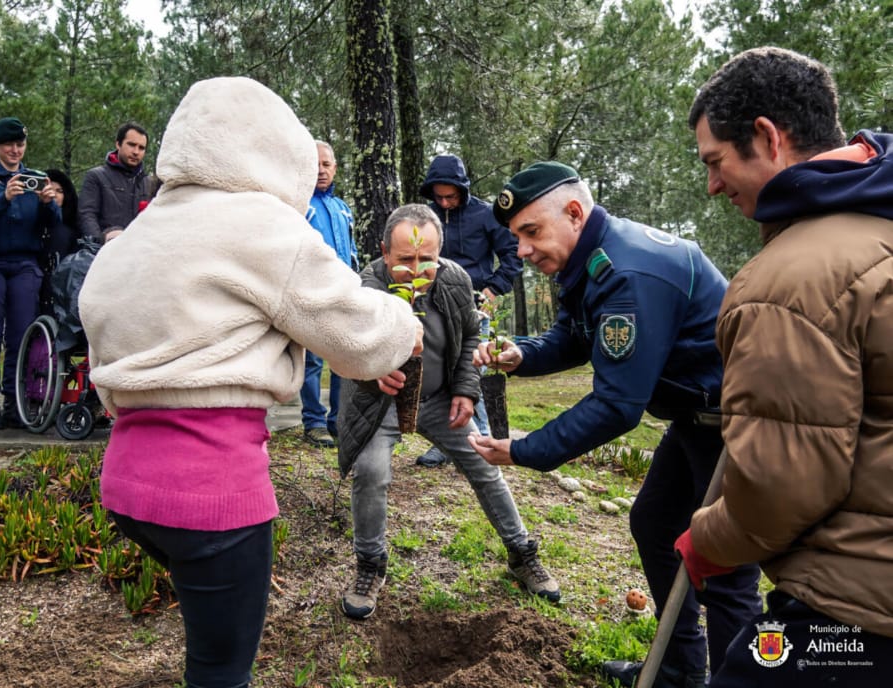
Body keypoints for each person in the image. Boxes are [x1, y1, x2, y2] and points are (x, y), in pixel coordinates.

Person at [79, 76, 423, 688]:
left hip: (127, 486)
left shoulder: (135, 237)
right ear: (277, 150)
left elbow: (105, 333)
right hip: (212, 493)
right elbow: (356, 332)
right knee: (220, 672)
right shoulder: (264, 226)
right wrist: (404, 324)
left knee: (204, 626)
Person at [470, 161, 761, 688]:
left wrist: (524, 449)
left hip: (732, 425)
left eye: (531, 232)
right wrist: (523, 354)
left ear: (575, 213)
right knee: (654, 523)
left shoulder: (629, 272)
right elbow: (577, 336)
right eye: (517, 237)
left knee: (724, 567)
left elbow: (617, 407)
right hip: (694, 419)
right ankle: (677, 672)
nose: (522, 250)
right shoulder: (591, 260)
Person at [673, 47, 893, 687]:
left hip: (854, 611)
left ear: (768, 138)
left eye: (716, 161)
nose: (713, 185)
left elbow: (781, 486)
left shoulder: (790, 281)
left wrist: (710, 537)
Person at [336, 202, 558, 621]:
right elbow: (343, 347)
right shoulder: (364, 288)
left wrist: (466, 390)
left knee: (484, 463)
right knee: (371, 472)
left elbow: (473, 333)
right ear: (385, 253)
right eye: (405, 260)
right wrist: (369, 373)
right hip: (380, 404)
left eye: (427, 259)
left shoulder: (455, 280)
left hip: (440, 398)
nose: (417, 270)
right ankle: (370, 566)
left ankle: (521, 552)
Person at [415, 154, 523, 466]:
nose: (445, 203)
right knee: (441, 374)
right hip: (434, 306)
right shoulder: (428, 218)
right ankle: (448, 444)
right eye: (439, 197)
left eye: (451, 196)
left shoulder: (486, 214)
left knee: (472, 370)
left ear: (462, 190)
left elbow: (513, 254)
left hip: (475, 305)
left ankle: (484, 439)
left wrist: (494, 288)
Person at [0, 117, 61, 430]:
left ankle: (13, 401)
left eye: (20, 144)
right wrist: (3, 197)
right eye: (9, 144)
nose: (15, 150)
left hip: (25, 263)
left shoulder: (35, 177)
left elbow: (53, 225)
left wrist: (48, 203)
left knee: (20, 335)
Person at [299, 140, 357, 448]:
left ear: (335, 168)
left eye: (326, 164)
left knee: (341, 358)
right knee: (311, 360)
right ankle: (314, 421)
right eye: (315, 164)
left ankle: (338, 420)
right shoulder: (299, 205)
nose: (320, 171)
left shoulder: (342, 208)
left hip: (343, 292)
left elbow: (352, 249)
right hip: (312, 292)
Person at [77, 122, 152, 242]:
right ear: (118, 144)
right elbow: (87, 215)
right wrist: (100, 243)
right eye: (131, 145)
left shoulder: (149, 183)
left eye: (141, 148)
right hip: (104, 252)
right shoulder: (96, 176)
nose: (136, 152)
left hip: (140, 251)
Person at [39, 169, 81, 315]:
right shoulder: (32, 226)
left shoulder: (75, 230)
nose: (54, 195)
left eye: (59, 191)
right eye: (49, 189)